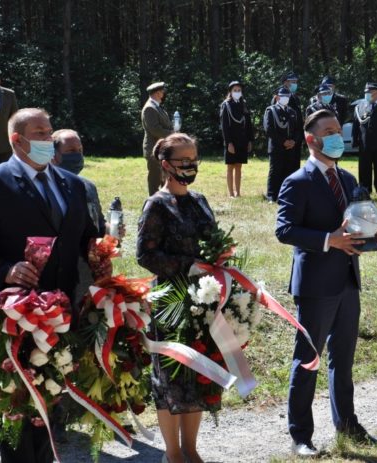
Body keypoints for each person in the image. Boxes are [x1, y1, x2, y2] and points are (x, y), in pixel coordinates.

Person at [0, 107, 101, 463]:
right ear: (17, 140)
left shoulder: (73, 185)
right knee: (18, 408)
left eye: (49, 132)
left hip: (60, 312)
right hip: (14, 313)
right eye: (39, 133)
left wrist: (100, 250)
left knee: (49, 403)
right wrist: (6, 270)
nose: (48, 140)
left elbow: (86, 239)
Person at [276, 109, 377, 458]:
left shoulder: (349, 178)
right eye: (330, 131)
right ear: (311, 139)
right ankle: (301, 436)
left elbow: (356, 221)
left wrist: (369, 236)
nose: (338, 135)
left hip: (348, 282)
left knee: (344, 359)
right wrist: (329, 239)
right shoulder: (297, 181)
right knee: (308, 361)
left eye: (339, 129)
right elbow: (285, 230)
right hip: (315, 286)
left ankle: (348, 425)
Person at [136, 132, 214, 463]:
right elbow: (145, 255)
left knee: (197, 376)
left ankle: (191, 450)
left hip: (205, 300)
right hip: (170, 302)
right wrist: (188, 266)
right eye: (184, 161)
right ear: (166, 165)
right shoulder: (156, 205)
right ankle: (173, 454)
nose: (191, 166)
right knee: (170, 380)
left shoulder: (199, 200)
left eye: (194, 159)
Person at [263, 86, 303, 202]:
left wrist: (293, 141)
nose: (286, 98)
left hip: (290, 147)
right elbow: (269, 129)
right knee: (275, 172)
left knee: (288, 171)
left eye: (287, 96)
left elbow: (297, 129)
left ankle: (285, 195)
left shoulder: (292, 112)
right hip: (276, 147)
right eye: (283, 96)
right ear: (277, 97)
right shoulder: (270, 110)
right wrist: (283, 141)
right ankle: (271, 196)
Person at [220, 80, 253, 197]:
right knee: (230, 167)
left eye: (239, 90)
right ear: (230, 91)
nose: (237, 92)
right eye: (235, 90)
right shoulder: (226, 105)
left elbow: (248, 124)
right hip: (231, 141)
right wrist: (228, 143)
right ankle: (230, 193)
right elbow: (224, 126)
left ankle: (238, 192)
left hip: (242, 141)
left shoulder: (243, 104)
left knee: (239, 166)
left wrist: (250, 140)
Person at [142, 82, 174, 195]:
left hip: (161, 148)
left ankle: (164, 202)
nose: (164, 93)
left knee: (164, 178)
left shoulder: (157, 107)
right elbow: (155, 130)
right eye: (162, 91)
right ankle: (153, 205)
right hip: (153, 149)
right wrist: (173, 133)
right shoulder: (149, 108)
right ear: (157, 93)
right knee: (155, 180)